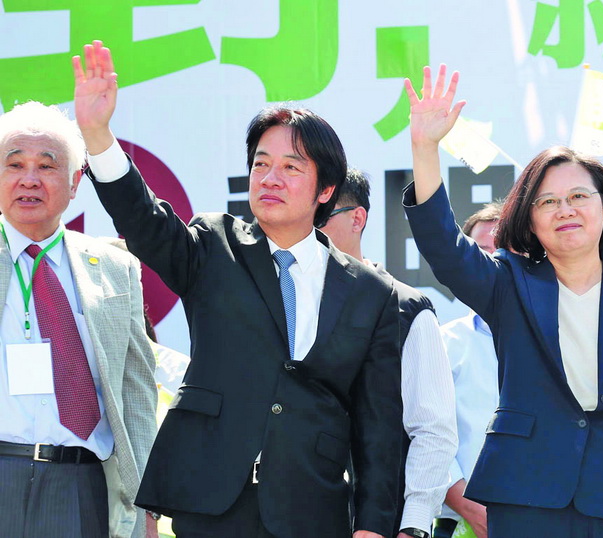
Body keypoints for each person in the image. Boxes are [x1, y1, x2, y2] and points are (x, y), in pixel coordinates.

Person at [73, 40, 403, 538]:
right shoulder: (213, 245)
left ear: (326, 190)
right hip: (211, 503)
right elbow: (143, 219)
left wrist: (374, 526)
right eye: (261, 164)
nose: (270, 178)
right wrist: (97, 135)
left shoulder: (370, 292)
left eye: (291, 167)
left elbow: (378, 424)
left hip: (311, 510)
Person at [401, 63, 603, 537]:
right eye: (547, 201)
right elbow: (444, 247)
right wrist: (425, 147)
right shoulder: (508, 283)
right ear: (530, 219)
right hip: (527, 497)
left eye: (579, 196)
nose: (565, 210)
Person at [0, 101, 158, 537]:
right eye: (15, 164)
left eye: (46, 166)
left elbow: (137, 392)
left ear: (74, 183)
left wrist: (147, 506)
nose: (29, 179)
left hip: (80, 483)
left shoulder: (114, 268)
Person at [320, 168, 458, 538]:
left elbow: (433, 429)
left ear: (357, 219)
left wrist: (413, 525)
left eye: (320, 219)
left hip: (384, 523)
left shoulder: (406, 307)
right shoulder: (285, 305)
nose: (307, 232)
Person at [434, 203, 503, 538]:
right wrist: (469, 507)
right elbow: (424, 433)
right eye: (482, 252)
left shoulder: (562, 338)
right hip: (462, 524)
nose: (493, 261)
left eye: (504, 252)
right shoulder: (443, 342)